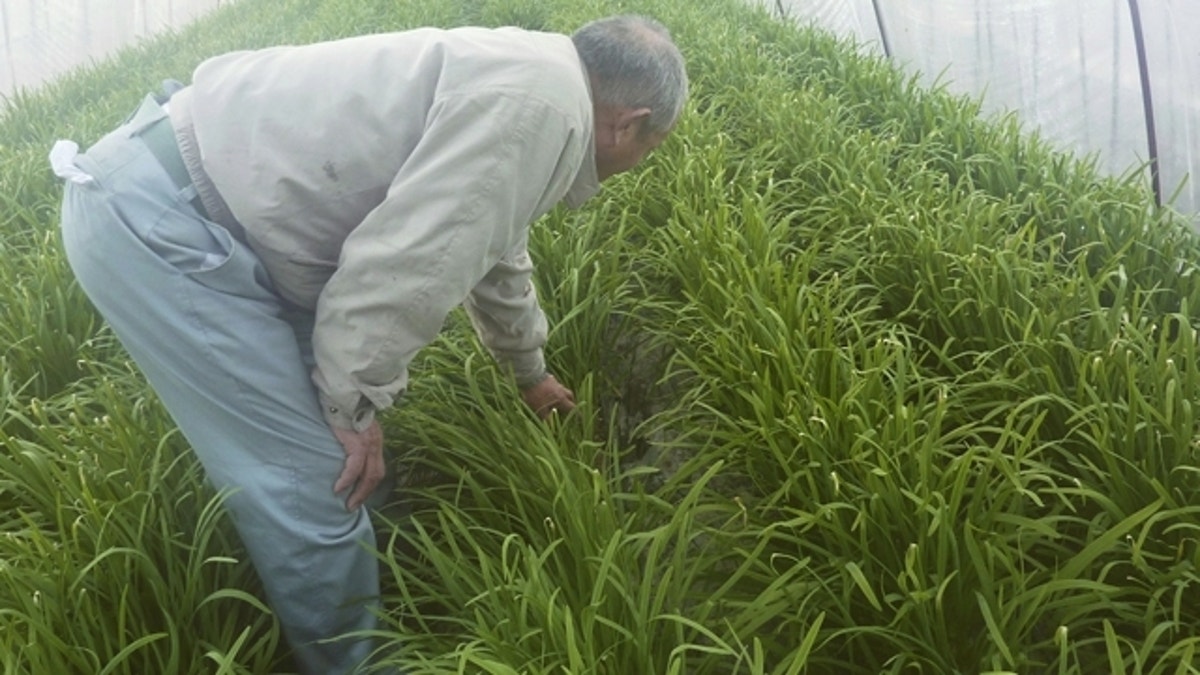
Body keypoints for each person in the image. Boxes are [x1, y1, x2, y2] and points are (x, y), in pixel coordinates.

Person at [50, 13, 687, 675]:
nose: (641, 162)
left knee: (350, 466)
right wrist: (350, 406)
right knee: (319, 483)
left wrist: (528, 370)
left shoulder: (538, 78)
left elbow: (492, 242)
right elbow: (407, 266)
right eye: (653, 145)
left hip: (204, 200)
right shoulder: (540, 110)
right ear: (630, 122)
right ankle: (356, 661)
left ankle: (394, 579)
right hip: (165, 227)